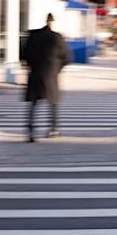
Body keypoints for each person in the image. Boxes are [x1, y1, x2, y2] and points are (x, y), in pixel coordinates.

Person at [21, 13, 71, 142]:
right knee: (53, 103)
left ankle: (31, 131)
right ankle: (53, 129)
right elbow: (67, 58)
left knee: (33, 104)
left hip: (35, 73)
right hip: (51, 74)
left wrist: (30, 65)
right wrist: (57, 69)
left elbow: (23, 55)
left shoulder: (32, 36)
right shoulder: (57, 38)